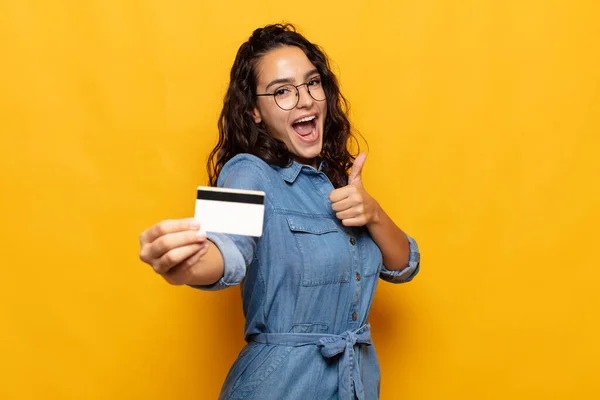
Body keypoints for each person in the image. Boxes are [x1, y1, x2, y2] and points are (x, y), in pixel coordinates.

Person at [139, 23, 420, 400]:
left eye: (312, 83)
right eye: (282, 91)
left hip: (355, 385)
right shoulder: (246, 171)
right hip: (281, 387)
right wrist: (188, 263)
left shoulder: (337, 180)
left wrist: (374, 213)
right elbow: (228, 250)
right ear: (254, 111)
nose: (304, 100)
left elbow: (404, 266)